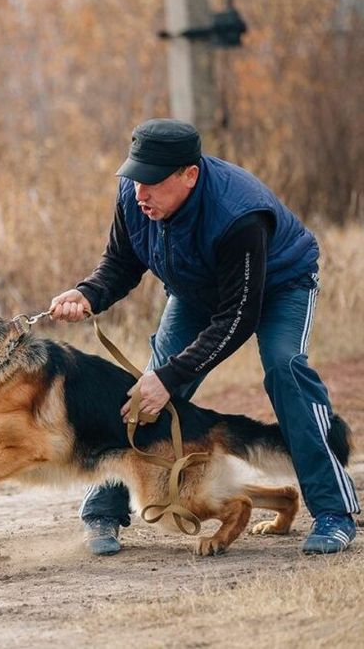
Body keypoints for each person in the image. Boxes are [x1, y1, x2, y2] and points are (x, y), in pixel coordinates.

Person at [49, 118, 359, 558]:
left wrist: (171, 376)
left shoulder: (239, 214)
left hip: (280, 286)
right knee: (145, 392)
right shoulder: (135, 196)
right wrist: (87, 293)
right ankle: (104, 508)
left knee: (283, 367)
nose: (141, 192)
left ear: (189, 176)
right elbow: (120, 264)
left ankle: (334, 512)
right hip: (197, 290)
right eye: (135, 177)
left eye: (153, 182)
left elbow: (237, 317)